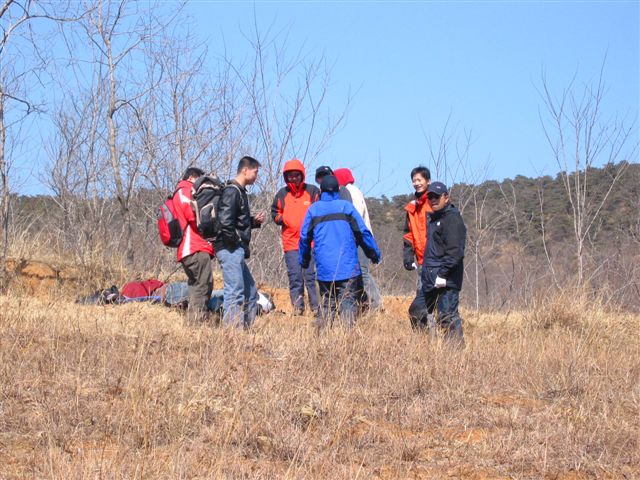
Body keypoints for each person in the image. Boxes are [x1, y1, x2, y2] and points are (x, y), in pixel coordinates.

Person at [299, 175, 381, 329]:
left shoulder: (314, 209)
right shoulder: (346, 207)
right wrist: (374, 253)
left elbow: (304, 238)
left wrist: (303, 260)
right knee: (348, 303)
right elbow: (363, 233)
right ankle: (346, 339)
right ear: (338, 190)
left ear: (321, 191)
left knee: (327, 304)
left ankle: (323, 338)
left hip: (324, 269)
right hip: (348, 268)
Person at [408, 181, 466, 346]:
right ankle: (425, 346)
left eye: (437, 196)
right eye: (430, 197)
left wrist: (443, 274)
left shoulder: (452, 218)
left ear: (446, 198)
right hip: (430, 279)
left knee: (447, 316)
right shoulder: (434, 218)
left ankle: (455, 355)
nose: (433, 199)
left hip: (446, 280)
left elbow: (455, 252)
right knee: (416, 311)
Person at [214, 156, 266, 329]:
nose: (257, 176)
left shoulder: (240, 192)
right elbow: (225, 222)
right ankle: (233, 333)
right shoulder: (232, 191)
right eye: (255, 172)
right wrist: (236, 242)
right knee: (235, 291)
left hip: (235, 248)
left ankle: (246, 330)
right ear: (245, 170)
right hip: (229, 248)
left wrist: (253, 222)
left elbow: (236, 221)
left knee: (250, 291)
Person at [271, 159, 320, 315]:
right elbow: (275, 213)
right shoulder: (282, 194)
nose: (294, 178)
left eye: (296, 175)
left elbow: (319, 211)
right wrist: (285, 219)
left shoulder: (312, 191)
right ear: (286, 177)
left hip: (310, 242)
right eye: (290, 176)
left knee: (311, 276)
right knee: (295, 277)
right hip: (291, 243)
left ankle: (316, 308)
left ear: (302, 175)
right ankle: (298, 309)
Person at [333, 167, 383, 312]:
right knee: (358, 272)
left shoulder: (351, 191)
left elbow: (355, 216)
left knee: (362, 271)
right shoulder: (348, 191)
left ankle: (376, 304)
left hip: (360, 239)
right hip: (357, 238)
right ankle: (365, 304)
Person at [173, 166, 214, 322]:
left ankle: (194, 322)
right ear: (191, 177)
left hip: (192, 248)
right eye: (199, 178)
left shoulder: (184, 191)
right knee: (203, 284)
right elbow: (192, 215)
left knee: (196, 285)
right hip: (193, 246)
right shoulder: (184, 190)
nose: (201, 182)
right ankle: (197, 322)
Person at [403, 166, 433, 291]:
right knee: (421, 296)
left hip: (437, 259)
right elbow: (408, 234)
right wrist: (408, 257)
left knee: (441, 297)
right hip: (421, 260)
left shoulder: (435, 202)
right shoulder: (412, 207)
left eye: (419, 180)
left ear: (428, 181)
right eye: (414, 181)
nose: (416, 183)